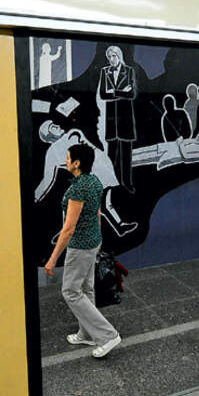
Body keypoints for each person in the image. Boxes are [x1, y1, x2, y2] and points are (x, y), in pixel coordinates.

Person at [44, 144, 121, 358]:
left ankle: (108, 335)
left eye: (68, 158)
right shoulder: (94, 181)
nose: (66, 161)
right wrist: (98, 239)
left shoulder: (78, 190)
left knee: (70, 291)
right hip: (92, 242)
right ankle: (87, 334)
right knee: (86, 290)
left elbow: (68, 229)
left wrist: (52, 259)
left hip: (80, 247)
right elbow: (97, 213)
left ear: (76, 163)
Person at [35, 120, 138, 237]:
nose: (57, 126)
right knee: (101, 203)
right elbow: (48, 179)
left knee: (81, 201)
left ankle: (69, 232)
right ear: (49, 136)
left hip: (99, 169)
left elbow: (83, 150)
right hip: (97, 170)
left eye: (55, 124)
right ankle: (119, 227)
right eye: (53, 127)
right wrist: (36, 197)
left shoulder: (72, 134)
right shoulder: (54, 151)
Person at [98, 45, 137, 193]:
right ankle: (111, 184)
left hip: (125, 118)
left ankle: (127, 182)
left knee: (126, 155)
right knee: (111, 156)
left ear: (119, 56)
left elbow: (131, 94)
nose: (111, 59)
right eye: (109, 57)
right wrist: (121, 92)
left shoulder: (129, 71)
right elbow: (103, 94)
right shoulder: (104, 71)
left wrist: (113, 92)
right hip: (111, 119)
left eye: (113, 56)